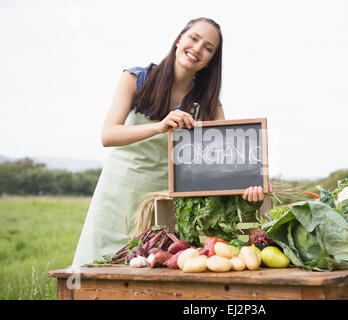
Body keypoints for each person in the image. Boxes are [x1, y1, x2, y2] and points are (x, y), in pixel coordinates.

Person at [72, 17, 269, 267]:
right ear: (179, 39)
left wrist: (248, 186)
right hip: (118, 192)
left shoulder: (209, 105)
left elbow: (222, 167)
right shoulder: (136, 79)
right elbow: (108, 135)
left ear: (211, 61)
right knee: (97, 268)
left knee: (154, 271)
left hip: (164, 202)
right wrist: (159, 126)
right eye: (193, 38)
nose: (197, 49)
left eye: (208, 48)